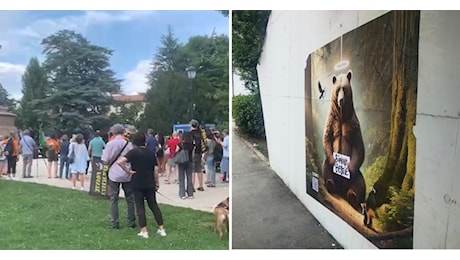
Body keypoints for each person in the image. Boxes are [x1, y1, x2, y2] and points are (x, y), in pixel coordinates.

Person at [116, 132, 167, 238]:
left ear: (134, 142)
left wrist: (128, 171)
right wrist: (157, 182)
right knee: (153, 205)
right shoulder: (150, 153)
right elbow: (156, 169)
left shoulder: (133, 152)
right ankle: (161, 228)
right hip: (149, 182)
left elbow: (120, 162)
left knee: (140, 206)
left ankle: (144, 231)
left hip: (137, 182)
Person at [101, 123, 135, 230]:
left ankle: (115, 223)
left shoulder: (110, 144)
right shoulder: (128, 144)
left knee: (114, 199)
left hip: (114, 173)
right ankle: (131, 221)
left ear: (113, 132)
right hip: (127, 173)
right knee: (130, 199)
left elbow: (105, 160)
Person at [177, 131, 194, 199]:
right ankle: (190, 193)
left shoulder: (180, 144)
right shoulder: (192, 145)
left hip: (181, 162)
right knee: (189, 178)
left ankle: (182, 194)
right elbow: (192, 154)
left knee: (181, 178)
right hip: (189, 161)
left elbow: (176, 151)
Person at [190, 119, 205, 191]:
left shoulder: (190, 134)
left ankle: (192, 186)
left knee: (192, 170)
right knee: (199, 169)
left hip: (193, 153)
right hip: (199, 153)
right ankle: (201, 185)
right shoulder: (200, 133)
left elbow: (192, 144)